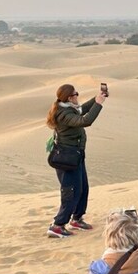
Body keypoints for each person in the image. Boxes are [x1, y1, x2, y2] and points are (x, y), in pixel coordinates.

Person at [46, 83, 106, 238]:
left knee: (83, 188)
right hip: (66, 158)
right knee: (71, 192)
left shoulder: (70, 109)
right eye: (76, 94)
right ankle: (58, 225)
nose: (77, 96)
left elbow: (83, 110)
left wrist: (96, 98)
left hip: (76, 155)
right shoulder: (63, 114)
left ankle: (77, 218)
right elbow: (85, 121)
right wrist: (98, 104)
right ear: (69, 97)